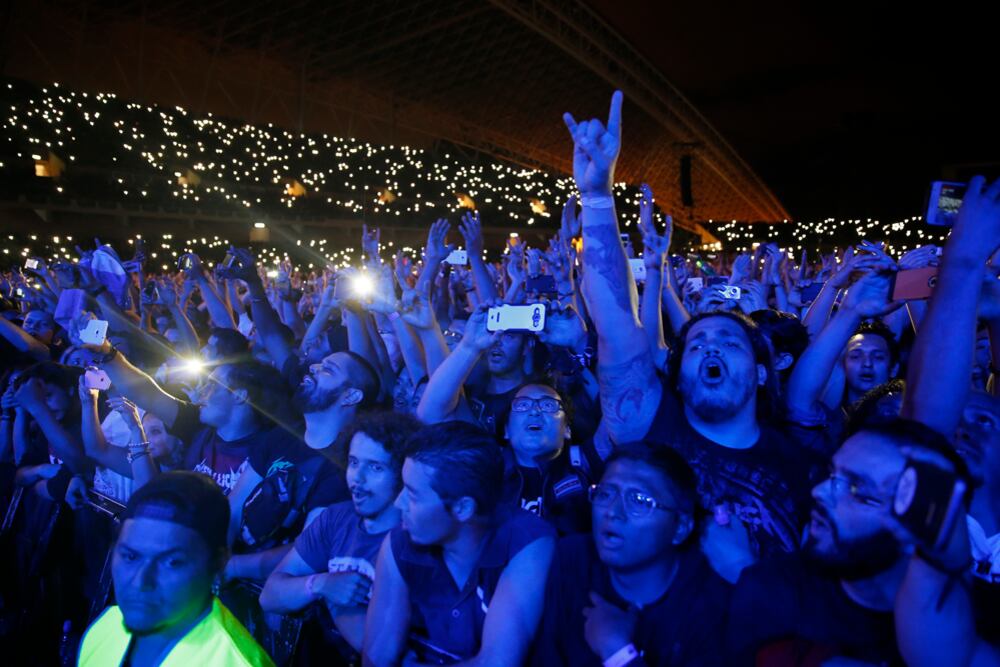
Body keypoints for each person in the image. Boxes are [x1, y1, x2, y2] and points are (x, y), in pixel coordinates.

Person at [561, 91, 825, 582]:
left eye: (730, 342)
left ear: (762, 372)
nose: (710, 347)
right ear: (678, 373)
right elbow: (614, 322)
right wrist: (597, 198)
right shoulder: (649, 424)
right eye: (697, 344)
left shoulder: (803, 470)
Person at [725, 419, 970, 666]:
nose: (819, 492)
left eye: (855, 489)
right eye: (831, 473)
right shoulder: (772, 591)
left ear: (921, 526)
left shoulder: (963, 624)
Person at [363, 421, 555, 666]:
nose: (398, 503)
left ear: (463, 508)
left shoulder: (528, 542)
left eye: (412, 494)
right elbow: (376, 659)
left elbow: (497, 663)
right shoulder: (401, 543)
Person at [533, 444, 729, 666]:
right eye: (605, 494)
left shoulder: (711, 607)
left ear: (680, 528)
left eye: (639, 500)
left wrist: (618, 653)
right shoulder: (572, 558)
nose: (612, 511)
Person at [259, 411, 420, 659]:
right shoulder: (336, 518)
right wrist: (320, 584)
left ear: (403, 473)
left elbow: (381, 653)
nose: (358, 478)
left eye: (375, 467)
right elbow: (270, 596)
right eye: (353, 463)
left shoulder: (416, 540)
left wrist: (335, 603)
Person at [77, 471, 274, 666]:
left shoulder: (234, 661)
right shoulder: (106, 627)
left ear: (218, 564)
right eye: (130, 557)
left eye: (171, 562)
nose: (141, 582)